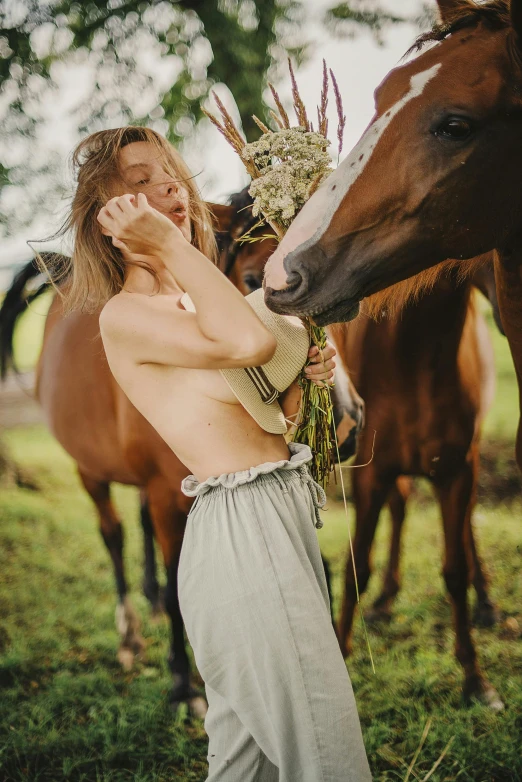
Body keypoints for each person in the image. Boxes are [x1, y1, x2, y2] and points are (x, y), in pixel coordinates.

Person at [52, 126, 371, 782]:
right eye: (140, 181)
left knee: (242, 762)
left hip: (276, 512)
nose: (167, 185)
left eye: (170, 172)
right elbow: (247, 344)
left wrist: (303, 380)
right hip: (240, 537)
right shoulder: (126, 316)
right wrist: (168, 242)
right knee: (327, 753)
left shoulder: (194, 302)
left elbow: (265, 413)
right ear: (106, 214)